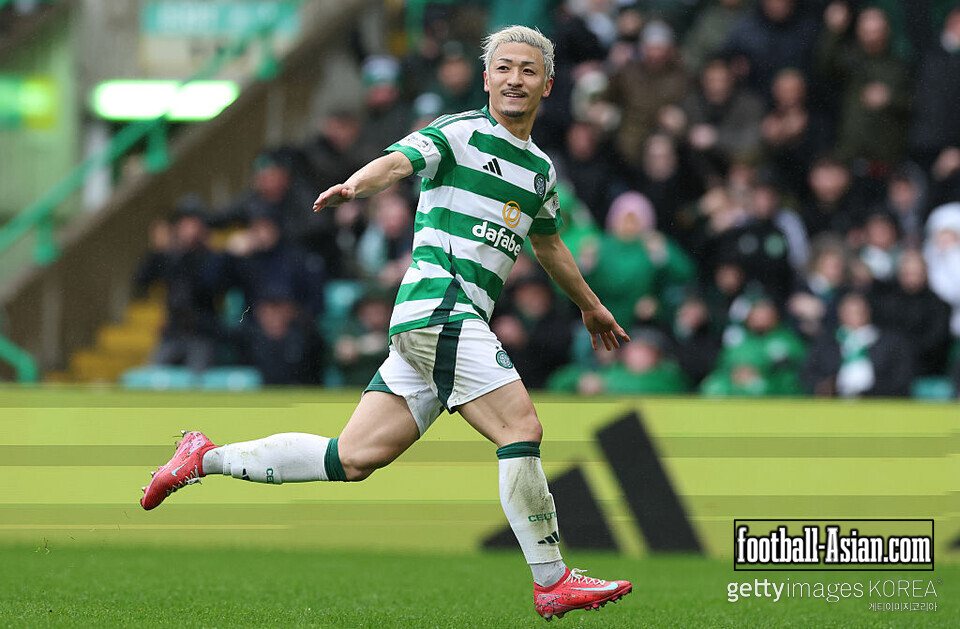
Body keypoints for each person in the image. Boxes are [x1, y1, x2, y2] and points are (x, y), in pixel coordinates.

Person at [139, 26, 632, 621]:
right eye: (504, 68)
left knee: (350, 458)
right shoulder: (461, 133)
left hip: (442, 323)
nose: (514, 79)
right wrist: (355, 185)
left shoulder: (540, 172)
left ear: (547, 84)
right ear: (486, 78)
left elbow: (549, 247)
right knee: (520, 426)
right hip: (438, 305)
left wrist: (589, 304)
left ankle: (203, 457)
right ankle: (552, 580)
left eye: (528, 70)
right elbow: (401, 160)